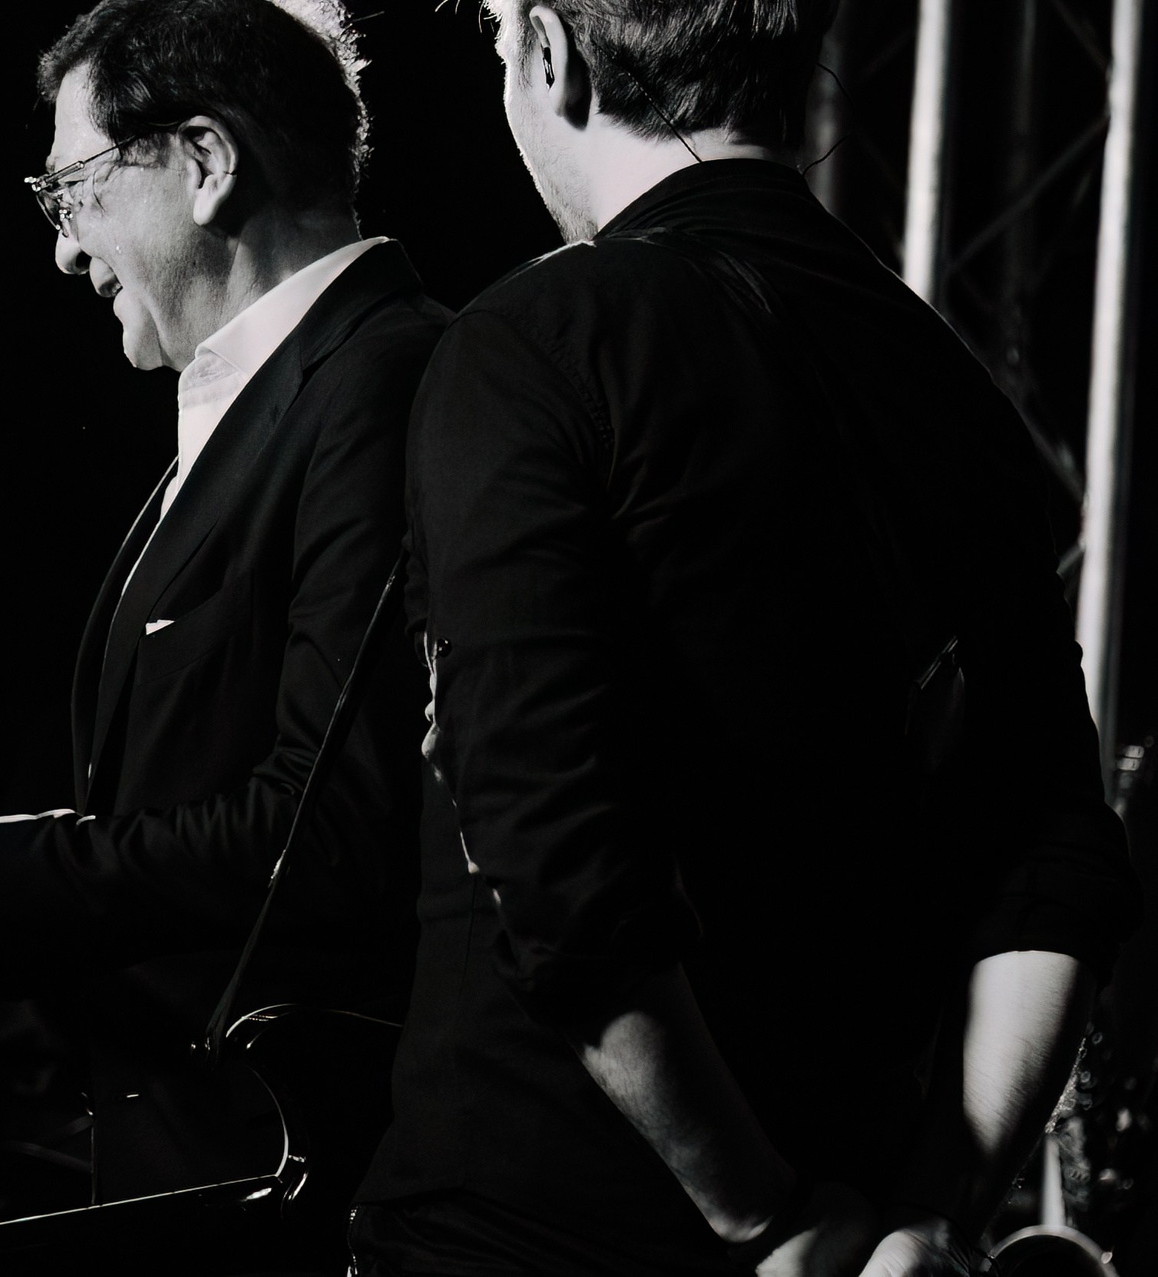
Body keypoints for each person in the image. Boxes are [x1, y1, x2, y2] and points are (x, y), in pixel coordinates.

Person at [352, 3, 1140, 1275]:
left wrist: (759, 1210)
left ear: (552, 53)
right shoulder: (956, 388)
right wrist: (938, 1204)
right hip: (865, 1232)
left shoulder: (529, 345)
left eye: (499, 38)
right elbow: (1055, 850)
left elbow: (554, 855)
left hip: (528, 1228)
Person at [0, 0, 444, 1213]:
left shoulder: (380, 380)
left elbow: (318, 836)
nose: (66, 251)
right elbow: (172, 819)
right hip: (197, 1163)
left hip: (302, 1190)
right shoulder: (276, 394)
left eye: (72, 191)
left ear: (206, 161)